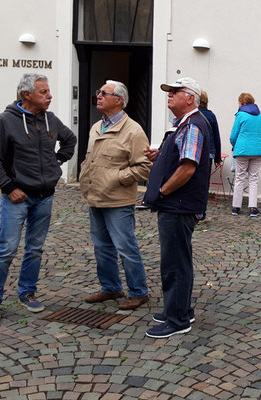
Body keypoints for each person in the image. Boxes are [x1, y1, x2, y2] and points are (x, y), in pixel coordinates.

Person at [0, 73, 77, 322]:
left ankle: (28, 293)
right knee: (7, 249)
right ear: (27, 95)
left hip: (45, 197)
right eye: (43, 92)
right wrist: (9, 187)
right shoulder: (5, 121)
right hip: (17, 198)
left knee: (34, 249)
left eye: (48, 91)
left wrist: (56, 162)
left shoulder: (51, 120)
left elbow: (70, 140)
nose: (50, 95)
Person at [142, 77, 212, 338]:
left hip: (178, 204)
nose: (169, 95)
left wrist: (162, 191)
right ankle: (180, 309)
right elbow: (181, 159)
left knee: (175, 263)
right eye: (168, 91)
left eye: (175, 91)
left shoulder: (192, 125)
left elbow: (187, 168)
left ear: (190, 98)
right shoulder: (185, 124)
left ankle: (178, 320)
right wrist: (160, 155)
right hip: (178, 204)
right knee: (179, 260)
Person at [80, 80, 152, 310]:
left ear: (119, 100)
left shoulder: (133, 131)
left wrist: (116, 178)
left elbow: (144, 167)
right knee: (101, 246)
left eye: (104, 93)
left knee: (125, 246)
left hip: (118, 200)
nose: (98, 96)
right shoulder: (95, 127)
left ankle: (139, 291)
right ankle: (110, 287)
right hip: (96, 196)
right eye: (98, 92)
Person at [229, 92, 261, 217]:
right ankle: (253, 208)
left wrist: (234, 146)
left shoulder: (241, 115)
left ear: (242, 103)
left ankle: (236, 207)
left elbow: (233, 136)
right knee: (253, 179)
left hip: (243, 150)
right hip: (258, 150)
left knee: (239, 177)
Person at [197, 90, 222, 222]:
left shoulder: (193, 115)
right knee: (204, 183)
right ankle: (201, 212)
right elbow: (216, 137)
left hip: (196, 152)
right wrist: (217, 157)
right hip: (209, 153)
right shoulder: (211, 116)